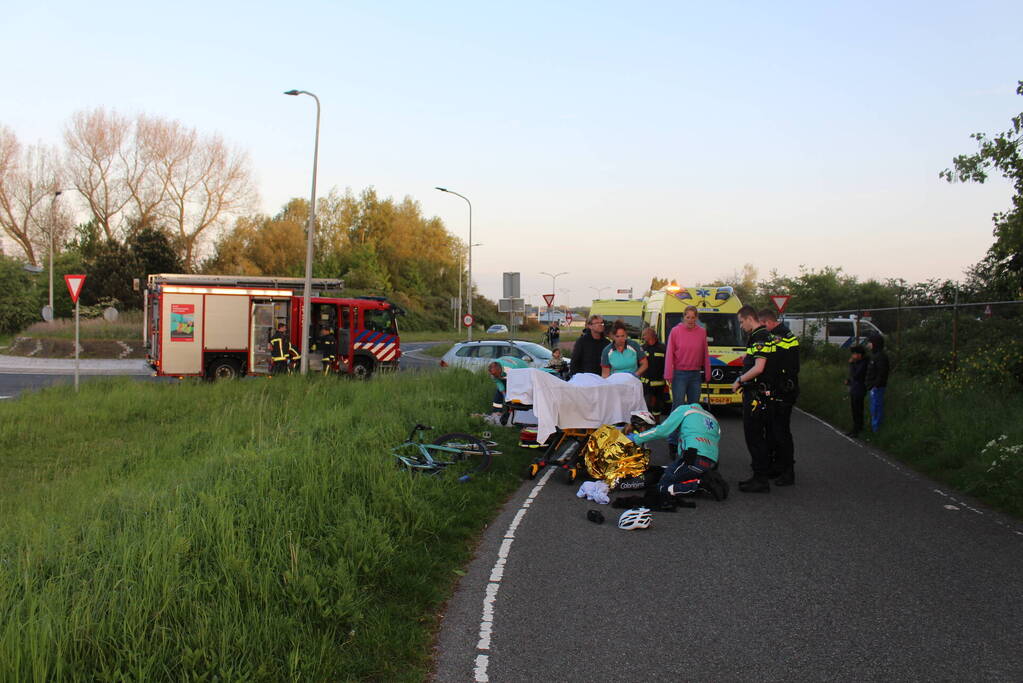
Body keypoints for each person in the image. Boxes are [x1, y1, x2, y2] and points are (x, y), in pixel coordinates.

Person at [629, 403, 726, 501]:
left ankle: (700, 484)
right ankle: (702, 479)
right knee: (679, 471)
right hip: (711, 463)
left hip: (693, 457)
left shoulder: (684, 409)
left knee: (662, 488)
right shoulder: (712, 418)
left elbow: (663, 430)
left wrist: (635, 438)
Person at [731, 305, 776, 493]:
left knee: (754, 435)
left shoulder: (759, 336)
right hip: (760, 393)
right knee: (757, 436)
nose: (741, 326)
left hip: (757, 395)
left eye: (741, 322)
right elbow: (757, 358)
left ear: (750, 318)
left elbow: (759, 367)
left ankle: (760, 479)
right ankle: (759, 475)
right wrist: (746, 356)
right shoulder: (761, 335)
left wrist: (739, 380)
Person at [759, 308, 800, 486]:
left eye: (762, 325)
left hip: (783, 391)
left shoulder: (779, 337)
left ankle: (787, 471)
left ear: (768, 322)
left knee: (781, 432)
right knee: (773, 431)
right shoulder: (784, 334)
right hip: (781, 389)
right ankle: (777, 466)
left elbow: (774, 364)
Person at [664, 305, 711, 451]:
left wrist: (707, 372)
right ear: (683, 317)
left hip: (695, 374)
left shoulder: (702, 332)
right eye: (688, 317)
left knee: (694, 408)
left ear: (697, 318)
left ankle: (691, 440)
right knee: (678, 408)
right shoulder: (676, 331)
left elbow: (705, 353)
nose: (690, 320)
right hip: (679, 374)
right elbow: (670, 352)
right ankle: (672, 440)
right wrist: (668, 374)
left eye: (693, 317)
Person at [639, 327, 669, 419]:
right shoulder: (642, 348)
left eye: (644, 335)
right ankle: (647, 422)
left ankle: (656, 422)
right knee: (647, 404)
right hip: (646, 383)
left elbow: (668, 363)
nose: (643, 337)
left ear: (651, 335)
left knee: (658, 405)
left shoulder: (663, 348)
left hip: (659, 384)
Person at [865, 333, 890, 432]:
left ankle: (877, 429)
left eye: (870, 342)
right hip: (873, 387)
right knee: (873, 408)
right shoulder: (875, 355)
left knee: (876, 408)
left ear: (875, 343)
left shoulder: (881, 357)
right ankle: (874, 428)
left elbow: (882, 373)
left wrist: (875, 385)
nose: (868, 345)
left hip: (877, 388)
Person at [845, 344, 868, 437]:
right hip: (854, 388)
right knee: (854, 410)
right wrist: (849, 381)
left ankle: (858, 429)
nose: (852, 356)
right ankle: (854, 428)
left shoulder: (863, 363)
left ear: (859, 354)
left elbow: (856, 375)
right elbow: (853, 377)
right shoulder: (857, 363)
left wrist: (851, 364)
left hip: (860, 389)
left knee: (858, 410)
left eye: (854, 354)